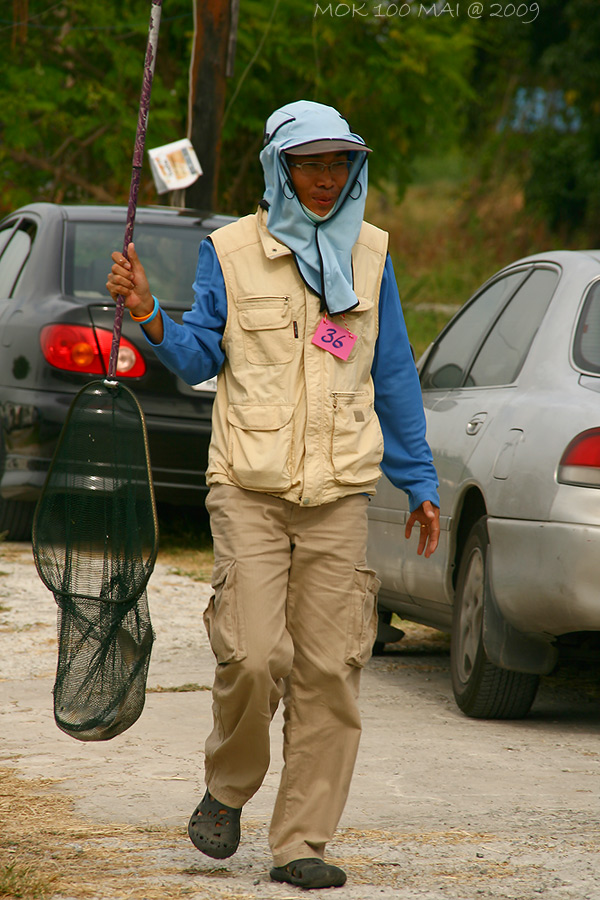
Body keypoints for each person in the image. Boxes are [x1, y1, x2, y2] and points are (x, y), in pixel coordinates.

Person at [107, 100, 440, 890]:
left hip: (339, 495)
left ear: (352, 170)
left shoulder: (371, 257)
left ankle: (301, 844)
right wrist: (148, 311)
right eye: (309, 164)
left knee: (330, 671)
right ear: (278, 168)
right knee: (254, 657)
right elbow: (196, 359)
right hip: (248, 488)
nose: (325, 179)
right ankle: (228, 786)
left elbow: (389, 372)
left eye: (338, 165)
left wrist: (420, 480)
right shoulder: (229, 251)